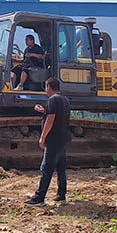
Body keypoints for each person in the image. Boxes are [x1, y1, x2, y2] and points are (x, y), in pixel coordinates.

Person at [25, 77, 71, 206]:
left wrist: (42, 137)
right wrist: (43, 111)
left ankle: (39, 198)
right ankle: (61, 194)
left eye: (46, 87)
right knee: (60, 167)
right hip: (63, 138)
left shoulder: (52, 99)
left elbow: (51, 119)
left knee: (46, 168)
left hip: (53, 139)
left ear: (48, 87)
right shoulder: (64, 100)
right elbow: (57, 115)